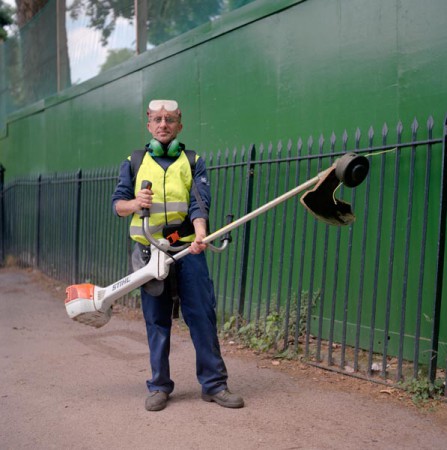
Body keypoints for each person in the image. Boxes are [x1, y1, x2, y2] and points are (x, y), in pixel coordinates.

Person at [111, 99, 244, 411]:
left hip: (187, 250)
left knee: (202, 316)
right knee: (157, 321)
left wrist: (200, 232)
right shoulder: (134, 161)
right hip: (149, 253)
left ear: (179, 125)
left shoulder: (193, 160)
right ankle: (159, 386)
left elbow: (200, 202)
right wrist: (135, 203)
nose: (163, 125)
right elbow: (118, 204)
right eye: (157, 119)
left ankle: (214, 386)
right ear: (148, 124)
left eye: (170, 119)